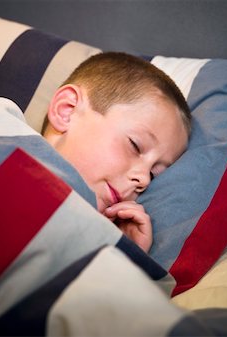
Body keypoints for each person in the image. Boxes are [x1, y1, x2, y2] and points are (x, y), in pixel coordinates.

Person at [41, 52, 191, 252]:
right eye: (135, 146)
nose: (143, 180)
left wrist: (125, 257)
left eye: (154, 175)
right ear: (67, 110)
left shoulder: (86, 238)